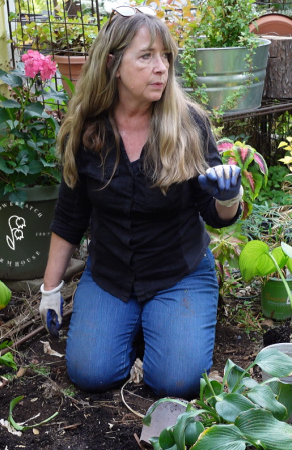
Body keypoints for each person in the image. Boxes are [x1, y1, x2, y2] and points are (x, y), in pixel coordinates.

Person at [38, 5, 243, 399]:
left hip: (177, 273)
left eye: (165, 56)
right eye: (146, 56)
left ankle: (165, 326)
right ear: (113, 64)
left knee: (176, 382)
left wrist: (229, 197)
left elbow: (216, 217)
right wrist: (50, 288)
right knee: (90, 373)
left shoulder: (188, 124)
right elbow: (70, 216)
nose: (161, 68)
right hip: (111, 275)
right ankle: (138, 325)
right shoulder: (87, 130)